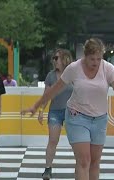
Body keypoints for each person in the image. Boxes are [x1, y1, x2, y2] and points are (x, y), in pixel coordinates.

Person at [22, 38, 114, 180]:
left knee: (95, 162)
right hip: (77, 117)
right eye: (92, 59)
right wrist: (36, 106)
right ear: (85, 56)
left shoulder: (108, 68)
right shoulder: (74, 68)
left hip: (100, 119)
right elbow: (54, 90)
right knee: (84, 161)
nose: (96, 63)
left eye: (98, 59)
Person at [38, 49, 73, 179]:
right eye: (53, 58)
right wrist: (41, 110)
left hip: (72, 112)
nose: (54, 60)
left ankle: (81, 167)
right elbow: (46, 95)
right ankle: (48, 169)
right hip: (55, 112)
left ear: (65, 59)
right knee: (53, 140)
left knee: (76, 141)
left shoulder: (73, 74)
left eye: (56, 58)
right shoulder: (51, 76)